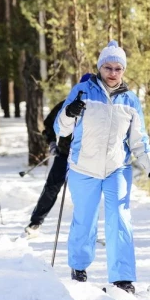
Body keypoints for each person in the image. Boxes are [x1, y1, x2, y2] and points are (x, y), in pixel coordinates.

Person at [54, 40, 150, 294]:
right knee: (85, 218)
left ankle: (122, 277)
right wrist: (69, 113)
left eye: (118, 68)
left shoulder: (131, 100)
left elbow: (139, 140)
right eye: (108, 68)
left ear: (123, 71)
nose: (113, 73)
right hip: (83, 167)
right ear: (100, 67)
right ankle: (79, 266)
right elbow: (61, 129)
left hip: (117, 167)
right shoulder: (82, 91)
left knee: (120, 219)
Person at [25, 73, 93, 236]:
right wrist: (52, 142)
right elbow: (48, 124)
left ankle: (89, 230)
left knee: (87, 195)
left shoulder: (100, 109)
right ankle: (35, 223)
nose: (86, 92)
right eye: (83, 89)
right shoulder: (67, 104)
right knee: (51, 189)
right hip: (64, 154)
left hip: (88, 159)